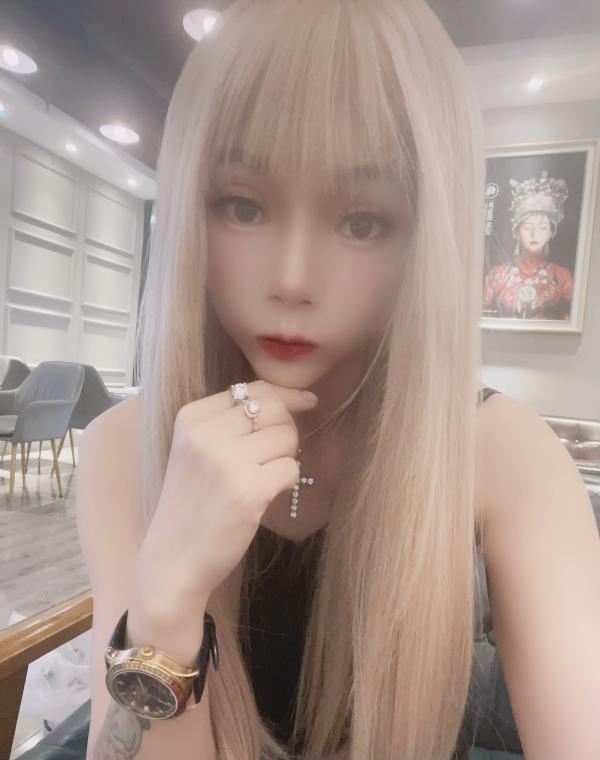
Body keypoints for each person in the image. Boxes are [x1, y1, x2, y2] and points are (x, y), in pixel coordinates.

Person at [76, 1, 600, 759]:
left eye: (361, 222)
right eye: (243, 206)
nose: (292, 279)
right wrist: (166, 600)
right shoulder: (122, 447)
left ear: (424, 235)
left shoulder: (501, 455)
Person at [483, 170, 573, 320]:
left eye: (542, 228)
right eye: (527, 227)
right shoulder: (496, 275)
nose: (534, 234)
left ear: (550, 234)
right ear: (516, 233)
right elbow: (483, 315)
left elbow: (570, 319)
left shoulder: (561, 275)